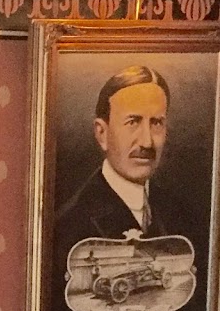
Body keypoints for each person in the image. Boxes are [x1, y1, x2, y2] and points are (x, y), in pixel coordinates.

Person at [55, 65, 176, 254]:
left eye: (156, 123)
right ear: (102, 133)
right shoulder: (69, 225)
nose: (147, 142)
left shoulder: (182, 214)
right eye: (133, 122)